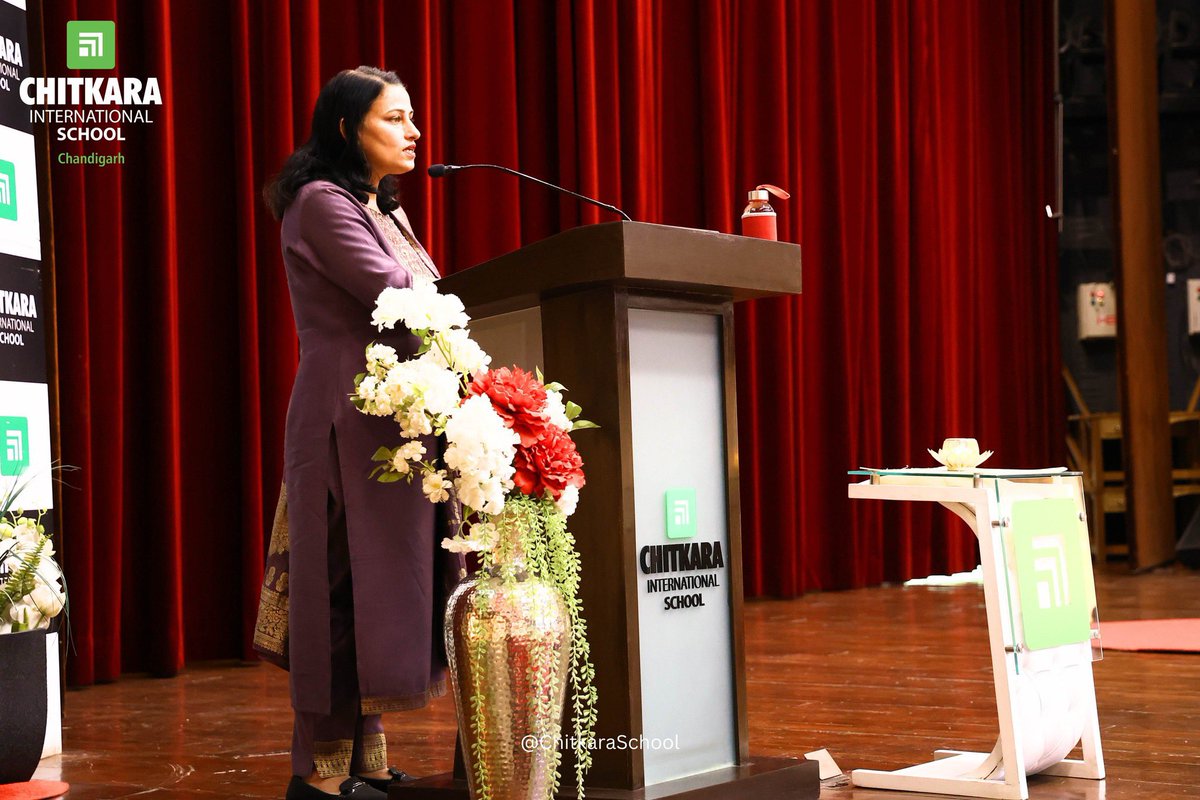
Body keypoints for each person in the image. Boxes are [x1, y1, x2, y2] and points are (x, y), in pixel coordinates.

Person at [255, 66, 465, 800]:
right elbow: (393, 293)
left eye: (413, 118)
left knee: (381, 588)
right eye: (395, 118)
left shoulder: (381, 207)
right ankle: (317, 773)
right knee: (337, 586)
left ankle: (364, 761)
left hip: (395, 415)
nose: (413, 132)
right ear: (348, 128)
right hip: (345, 415)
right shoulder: (319, 203)